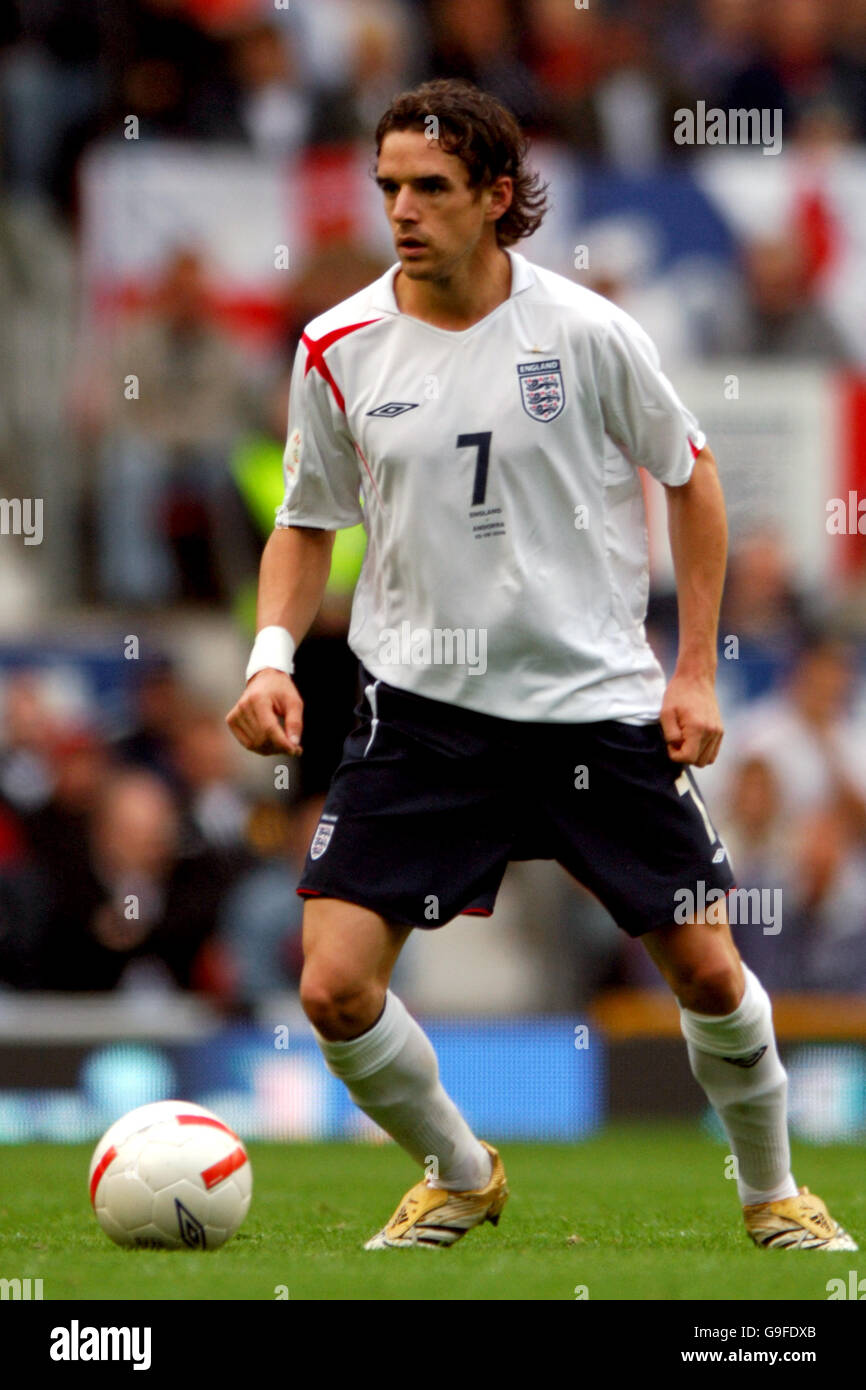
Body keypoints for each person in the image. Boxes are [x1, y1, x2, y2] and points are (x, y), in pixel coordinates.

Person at [227, 78, 856, 1253]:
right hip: (419, 712)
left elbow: (691, 475)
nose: (401, 211)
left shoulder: (586, 332)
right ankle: (459, 1174)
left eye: (429, 188)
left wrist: (694, 673)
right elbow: (305, 522)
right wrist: (269, 656)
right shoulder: (338, 345)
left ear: (496, 197)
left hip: (592, 709)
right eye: (388, 189)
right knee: (331, 987)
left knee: (710, 974)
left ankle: (771, 1191)